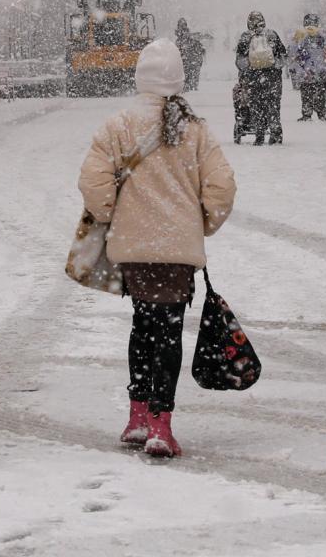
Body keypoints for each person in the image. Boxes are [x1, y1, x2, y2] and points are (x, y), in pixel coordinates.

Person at [78, 39, 236, 458]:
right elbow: (222, 187)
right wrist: (201, 224)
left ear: (140, 78)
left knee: (142, 325)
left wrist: (112, 214)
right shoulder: (195, 130)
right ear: (179, 80)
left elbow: (93, 182)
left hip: (134, 251)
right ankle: (161, 425)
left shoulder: (118, 125)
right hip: (177, 252)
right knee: (169, 332)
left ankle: (137, 417)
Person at [234, 11, 287, 145]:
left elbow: (240, 61)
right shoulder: (272, 34)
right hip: (272, 77)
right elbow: (282, 55)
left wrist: (248, 71)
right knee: (273, 105)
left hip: (253, 78)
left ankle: (259, 135)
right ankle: (275, 133)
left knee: (257, 106)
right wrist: (275, 67)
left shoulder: (245, 37)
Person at [288, 13, 326, 121]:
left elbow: (293, 50)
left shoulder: (300, 33)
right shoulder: (324, 34)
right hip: (321, 69)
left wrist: (295, 67)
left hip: (305, 70)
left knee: (306, 92)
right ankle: (321, 113)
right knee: (321, 92)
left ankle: (307, 114)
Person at [175, 18, 206, 91]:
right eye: (180, 25)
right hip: (188, 63)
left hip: (191, 62)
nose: (182, 27)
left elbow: (198, 50)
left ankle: (190, 88)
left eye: (183, 25)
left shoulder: (188, 38)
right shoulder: (181, 39)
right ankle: (189, 88)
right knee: (189, 82)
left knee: (191, 83)